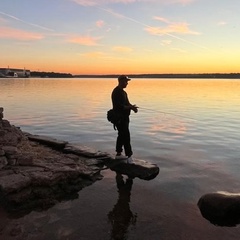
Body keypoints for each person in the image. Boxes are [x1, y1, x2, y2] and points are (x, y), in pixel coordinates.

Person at [111, 75, 138, 163]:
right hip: (119, 118)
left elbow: (127, 103)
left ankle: (118, 154)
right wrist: (129, 108)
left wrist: (132, 107)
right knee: (126, 136)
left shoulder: (124, 92)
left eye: (127, 82)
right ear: (121, 81)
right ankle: (129, 156)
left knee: (121, 135)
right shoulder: (116, 92)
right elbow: (119, 106)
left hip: (125, 118)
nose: (127, 83)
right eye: (126, 82)